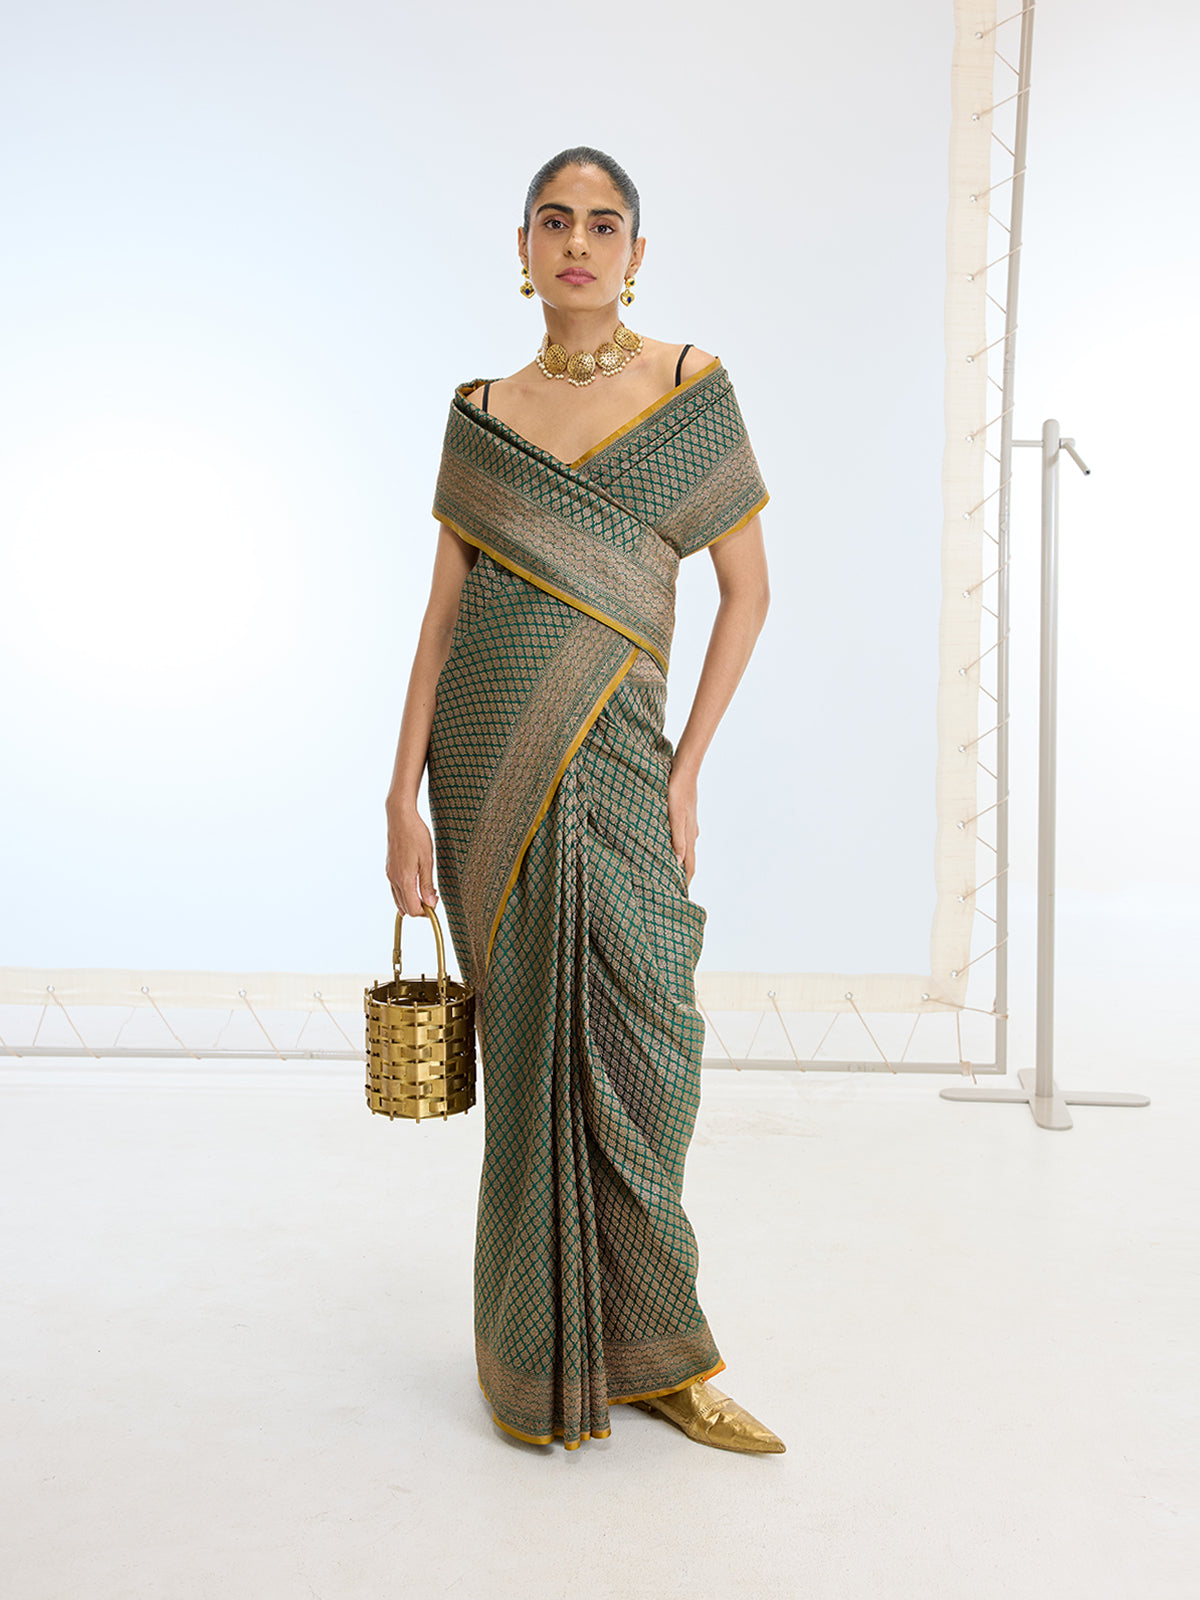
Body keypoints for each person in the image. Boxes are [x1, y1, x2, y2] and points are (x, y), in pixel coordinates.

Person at [385, 146, 782, 1455]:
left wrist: (687, 766)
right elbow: (441, 620)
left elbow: (748, 593)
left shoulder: (686, 389)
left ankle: (665, 1358)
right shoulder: (482, 412)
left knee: (650, 1057)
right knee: (531, 1071)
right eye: (554, 222)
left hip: (621, 766)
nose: (577, 243)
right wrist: (399, 794)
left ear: (636, 254)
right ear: (522, 248)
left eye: (603, 225)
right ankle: (532, 1360)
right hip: (485, 769)